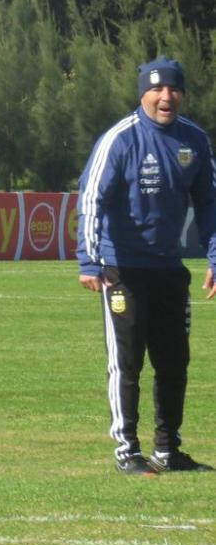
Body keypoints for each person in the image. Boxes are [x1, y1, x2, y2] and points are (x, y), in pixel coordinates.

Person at [77, 56, 216, 476]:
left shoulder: (194, 140)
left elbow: (210, 203)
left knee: (174, 362)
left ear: (182, 94)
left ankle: (168, 449)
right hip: (123, 271)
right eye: (156, 89)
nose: (165, 96)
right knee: (128, 363)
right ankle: (127, 450)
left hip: (169, 271)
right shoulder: (120, 139)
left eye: (173, 89)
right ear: (143, 94)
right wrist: (89, 260)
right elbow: (90, 200)